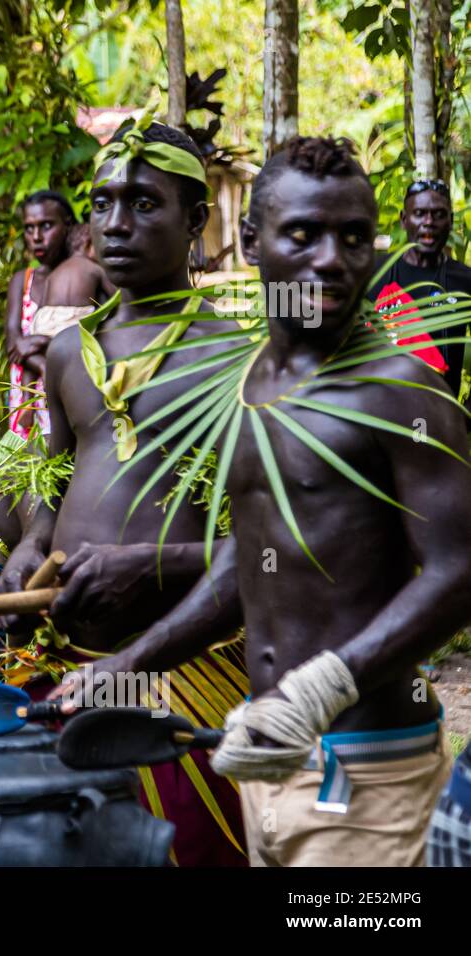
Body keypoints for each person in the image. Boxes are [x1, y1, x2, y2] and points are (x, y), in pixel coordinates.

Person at [78, 137, 471, 867]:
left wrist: (322, 689)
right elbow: (254, 562)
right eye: (304, 234)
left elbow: (460, 569)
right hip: (265, 757)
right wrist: (126, 666)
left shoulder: (401, 390)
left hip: (364, 775)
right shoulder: (250, 380)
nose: (332, 259)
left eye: (355, 237)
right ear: (253, 242)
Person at [0, 119, 247, 866]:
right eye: (102, 204)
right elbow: (54, 472)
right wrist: (35, 541)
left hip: (186, 673)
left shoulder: (237, 357)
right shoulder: (71, 351)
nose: (115, 224)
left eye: (142, 204)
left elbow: (277, 542)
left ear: (196, 220)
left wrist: (157, 563)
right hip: (64, 657)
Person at [368, 177, 471, 401]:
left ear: (451, 221)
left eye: (439, 214)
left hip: (439, 419)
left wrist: (465, 415)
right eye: (420, 213)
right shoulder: (374, 273)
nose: (428, 222)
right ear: (404, 220)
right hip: (378, 415)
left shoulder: (464, 280)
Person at [5, 192, 73, 436]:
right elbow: (13, 345)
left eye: (46, 226)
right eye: (29, 228)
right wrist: (44, 366)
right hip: (27, 410)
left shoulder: (84, 277)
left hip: (71, 396)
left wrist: (41, 344)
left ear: (67, 225)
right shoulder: (22, 281)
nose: (36, 237)